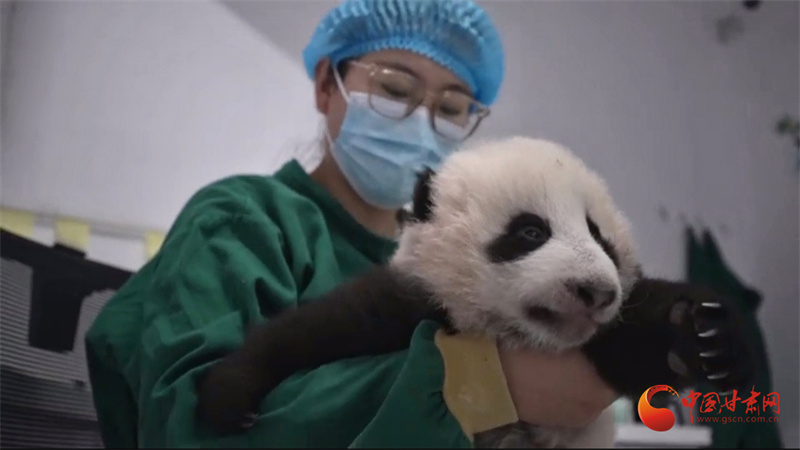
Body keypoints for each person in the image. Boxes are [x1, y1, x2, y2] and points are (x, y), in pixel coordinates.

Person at [84, 0, 619, 447]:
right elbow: (188, 427)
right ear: (326, 85)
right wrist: (479, 386)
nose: (421, 122)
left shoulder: (451, 274)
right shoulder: (243, 223)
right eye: (395, 90)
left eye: (451, 108)